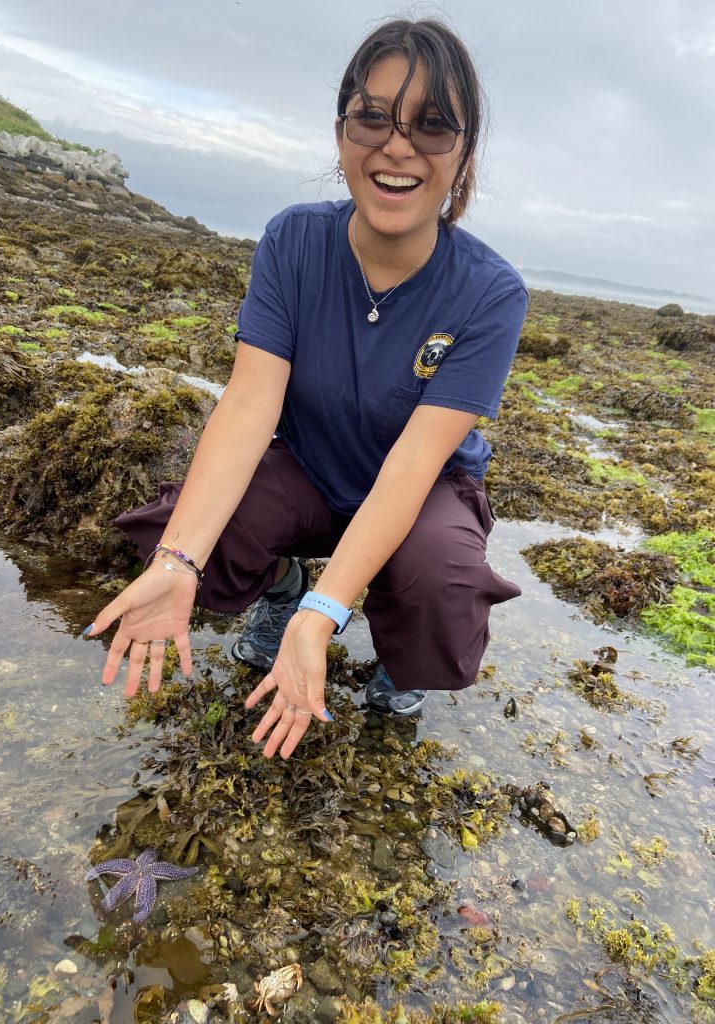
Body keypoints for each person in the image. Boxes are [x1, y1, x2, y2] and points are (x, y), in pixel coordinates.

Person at [83, 17, 528, 761]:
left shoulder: (490, 293)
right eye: (374, 116)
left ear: (464, 153)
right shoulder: (293, 241)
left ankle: (396, 643)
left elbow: (413, 464)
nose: (396, 144)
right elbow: (251, 404)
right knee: (186, 530)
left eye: (432, 126)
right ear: (341, 129)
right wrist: (176, 562)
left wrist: (327, 614)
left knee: (441, 578)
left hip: (421, 493)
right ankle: (283, 583)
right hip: (310, 469)